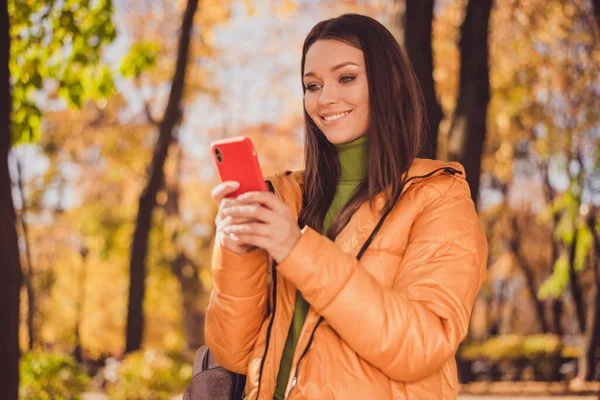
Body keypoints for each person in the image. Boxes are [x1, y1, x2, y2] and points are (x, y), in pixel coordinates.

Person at [204, 13, 488, 400]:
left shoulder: (439, 196)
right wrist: (236, 254)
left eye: (347, 77)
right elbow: (235, 354)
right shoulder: (288, 197)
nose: (325, 98)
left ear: (387, 83)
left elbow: (422, 346)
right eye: (312, 85)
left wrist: (298, 250)